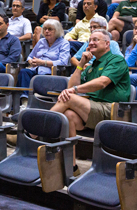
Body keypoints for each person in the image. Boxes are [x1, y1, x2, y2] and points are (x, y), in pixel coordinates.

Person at [50, 29, 131, 175]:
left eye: (95, 40)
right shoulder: (92, 66)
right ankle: (72, 166)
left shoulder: (117, 60)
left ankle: (37, 129)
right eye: (90, 40)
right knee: (69, 115)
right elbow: (71, 86)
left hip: (112, 110)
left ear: (107, 44)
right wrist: (81, 65)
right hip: (93, 109)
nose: (91, 42)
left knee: (69, 97)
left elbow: (102, 83)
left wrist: (75, 90)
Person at [17, 19, 70, 110]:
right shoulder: (41, 42)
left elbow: (63, 62)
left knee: (38, 78)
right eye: (45, 29)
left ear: (57, 30)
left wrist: (43, 62)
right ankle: (25, 103)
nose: (46, 31)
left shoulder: (64, 43)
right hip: (35, 69)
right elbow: (30, 56)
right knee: (24, 72)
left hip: (50, 73)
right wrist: (31, 62)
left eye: (50, 29)